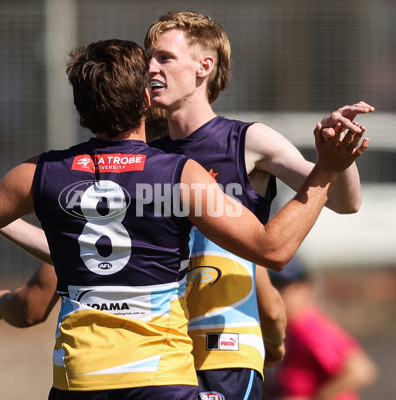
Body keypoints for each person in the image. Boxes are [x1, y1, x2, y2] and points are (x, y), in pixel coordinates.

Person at [0, 37, 367, 399]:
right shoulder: (178, 175)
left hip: (79, 381)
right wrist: (327, 169)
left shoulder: (40, 174)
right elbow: (272, 249)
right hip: (160, 379)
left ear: (80, 107)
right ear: (144, 100)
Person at [143, 10, 374, 399]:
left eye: (164, 57)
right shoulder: (149, 155)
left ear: (204, 66)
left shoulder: (247, 141)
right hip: (160, 347)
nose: (150, 67)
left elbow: (343, 202)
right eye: (149, 57)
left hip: (227, 348)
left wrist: (339, 158)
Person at [266, 258, 378, 400]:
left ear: (306, 289)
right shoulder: (290, 328)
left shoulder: (308, 328)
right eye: (274, 286)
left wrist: (317, 397)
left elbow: (360, 371)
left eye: (285, 287)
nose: (279, 294)